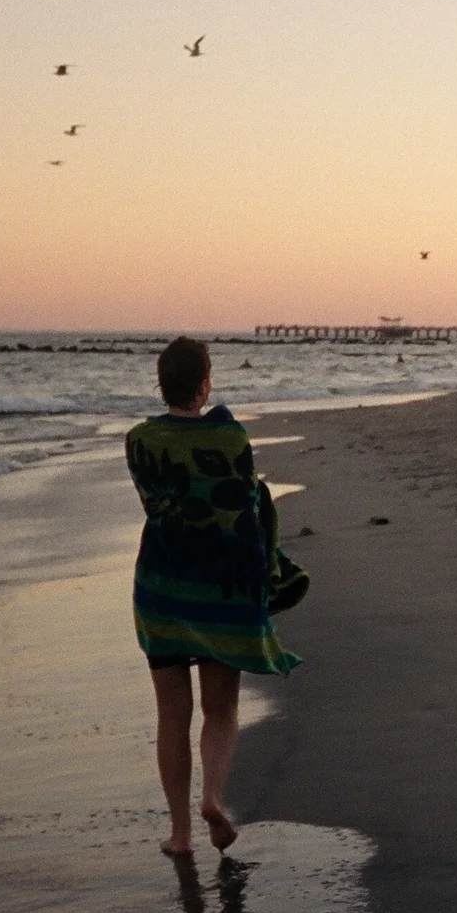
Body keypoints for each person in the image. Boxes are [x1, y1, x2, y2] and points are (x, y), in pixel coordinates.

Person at [125, 336, 300, 857]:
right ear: (205, 382)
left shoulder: (138, 440)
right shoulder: (231, 438)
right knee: (220, 710)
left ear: (162, 384)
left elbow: (162, 501)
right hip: (220, 592)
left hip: (161, 589)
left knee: (171, 715)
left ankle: (179, 835)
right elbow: (242, 508)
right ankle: (215, 797)